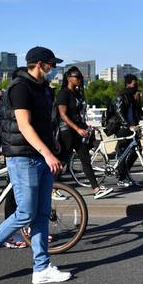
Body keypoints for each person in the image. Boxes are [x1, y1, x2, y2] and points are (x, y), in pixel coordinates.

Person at [0, 46, 71, 284]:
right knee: (26, 212)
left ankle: (41, 268)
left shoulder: (43, 89)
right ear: (39, 65)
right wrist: (47, 153)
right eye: (50, 64)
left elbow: (43, 122)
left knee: (42, 213)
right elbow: (25, 125)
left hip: (40, 154)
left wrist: (53, 142)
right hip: (24, 156)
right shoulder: (20, 87)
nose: (53, 68)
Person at [56, 66, 113, 199]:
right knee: (62, 161)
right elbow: (63, 115)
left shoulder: (77, 94)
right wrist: (77, 129)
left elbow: (78, 114)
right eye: (78, 77)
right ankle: (52, 188)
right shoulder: (64, 93)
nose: (80, 80)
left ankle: (96, 189)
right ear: (69, 78)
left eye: (81, 77)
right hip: (68, 131)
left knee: (85, 160)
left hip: (79, 130)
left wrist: (86, 126)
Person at [114, 74, 143, 188]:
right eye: (133, 84)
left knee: (137, 151)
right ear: (128, 84)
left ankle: (124, 172)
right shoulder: (121, 95)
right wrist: (127, 125)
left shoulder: (133, 97)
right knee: (123, 154)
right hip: (123, 128)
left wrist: (138, 100)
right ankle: (121, 178)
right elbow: (119, 112)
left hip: (133, 128)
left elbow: (139, 114)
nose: (135, 86)